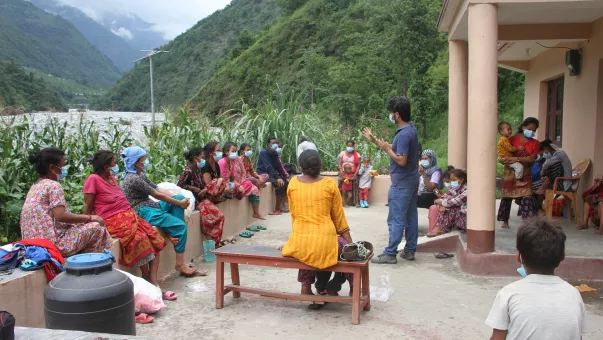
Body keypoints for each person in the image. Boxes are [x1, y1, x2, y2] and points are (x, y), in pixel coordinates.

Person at [485, 219, 586, 340]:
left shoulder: (508, 294)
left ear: (519, 256)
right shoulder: (574, 295)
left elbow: (497, 338)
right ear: (562, 256)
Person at [83, 150, 165, 286]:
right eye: (114, 164)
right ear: (106, 167)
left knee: (155, 238)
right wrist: (87, 222)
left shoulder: (113, 179)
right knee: (140, 240)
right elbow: (88, 206)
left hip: (129, 215)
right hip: (112, 219)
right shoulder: (93, 180)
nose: (117, 167)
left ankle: (153, 279)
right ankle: (146, 278)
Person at [281, 150, 353, 301]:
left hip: (299, 241)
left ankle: (306, 286)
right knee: (346, 251)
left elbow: (294, 214)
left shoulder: (293, 183)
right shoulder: (329, 184)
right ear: (320, 165)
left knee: (307, 249)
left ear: (301, 168)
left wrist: (293, 239)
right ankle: (346, 287)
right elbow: (339, 220)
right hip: (325, 241)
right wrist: (350, 242)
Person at [121, 146, 203, 277]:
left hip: (151, 205)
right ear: (137, 161)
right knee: (181, 225)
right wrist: (180, 204)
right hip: (142, 211)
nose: (146, 161)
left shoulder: (140, 174)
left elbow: (158, 188)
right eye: (143, 159)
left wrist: (178, 198)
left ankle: (173, 233)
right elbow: (157, 195)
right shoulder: (133, 179)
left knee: (179, 198)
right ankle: (180, 263)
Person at [20, 147, 112, 257]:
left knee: (81, 226)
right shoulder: (53, 185)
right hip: (52, 245)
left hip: (32, 245)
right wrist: (90, 218)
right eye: (62, 166)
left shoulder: (35, 186)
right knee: (97, 228)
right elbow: (60, 216)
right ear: (52, 168)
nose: (64, 170)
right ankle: (88, 267)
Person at [363, 96, 420, 264]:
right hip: (411, 180)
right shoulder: (411, 130)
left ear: (397, 115)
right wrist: (376, 141)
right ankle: (409, 250)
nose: (390, 116)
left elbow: (401, 160)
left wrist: (388, 149)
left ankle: (390, 253)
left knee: (396, 218)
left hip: (401, 183)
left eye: (391, 113)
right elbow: (395, 151)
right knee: (410, 217)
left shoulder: (403, 135)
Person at [177, 147, 226, 247]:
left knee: (220, 181)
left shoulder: (198, 170)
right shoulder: (187, 171)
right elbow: (179, 186)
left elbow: (203, 184)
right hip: (196, 200)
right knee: (218, 216)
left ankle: (215, 242)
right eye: (202, 157)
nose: (204, 160)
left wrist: (205, 190)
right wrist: (194, 188)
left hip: (203, 197)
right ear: (196, 158)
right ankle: (214, 242)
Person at [497, 117, 541, 229]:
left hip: (525, 174)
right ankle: (505, 221)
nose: (531, 132)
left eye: (534, 130)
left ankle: (527, 222)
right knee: (507, 197)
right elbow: (503, 155)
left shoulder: (535, 143)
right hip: (509, 173)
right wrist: (505, 160)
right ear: (523, 127)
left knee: (527, 197)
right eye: (529, 128)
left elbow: (532, 159)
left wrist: (516, 159)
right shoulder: (511, 139)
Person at [218, 142, 265, 219]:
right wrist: (237, 185)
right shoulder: (222, 162)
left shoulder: (232, 161)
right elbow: (224, 179)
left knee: (249, 183)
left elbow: (234, 176)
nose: (235, 153)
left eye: (235, 151)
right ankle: (236, 193)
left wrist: (238, 185)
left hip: (235, 182)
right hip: (224, 184)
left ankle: (238, 193)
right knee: (247, 183)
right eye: (233, 151)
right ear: (226, 152)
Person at [427, 169, 468, 237]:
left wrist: (441, 202)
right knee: (434, 208)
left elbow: (452, 203)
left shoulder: (466, 191)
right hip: (458, 218)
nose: (452, 182)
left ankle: (441, 228)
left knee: (450, 209)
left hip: (465, 220)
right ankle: (435, 228)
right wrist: (441, 203)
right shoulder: (455, 189)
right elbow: (445, 197)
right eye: (451, 180)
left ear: (461, 180)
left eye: (453, 180)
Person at [257, 137, 289, 215]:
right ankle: (277, 209)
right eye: (273, 143)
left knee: (286, 182)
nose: (275, 145)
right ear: (269, 144)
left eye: (276, 143)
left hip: (272, 173)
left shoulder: (275, 153)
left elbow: (279, 166)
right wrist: (278, 178)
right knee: (279, 183)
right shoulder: (263, 152)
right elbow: (268, 167)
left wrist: (286, 176)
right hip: (264, 173)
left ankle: (281, 205)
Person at [498, 122, 527, 187]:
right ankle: (518, 181)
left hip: (505, 158)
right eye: (508, 129)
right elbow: (509, 148)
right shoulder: (504, 139)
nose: (510, 131)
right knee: (520, 167)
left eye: (510, 129)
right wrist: (518, 149)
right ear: (501, 131)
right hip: (506, 158)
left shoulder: (505, 139)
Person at [338, 140, 361, 207]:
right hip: (343, 172)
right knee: (340, 185)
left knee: (356, 184)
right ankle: (339, 201)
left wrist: (355, 173)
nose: (349, 147)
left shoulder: (357, 154)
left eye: (351, 146)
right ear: (346, 146)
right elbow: (339, 164)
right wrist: (341, 171)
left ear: (353, 146)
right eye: (348, 146)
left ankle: (356, 202)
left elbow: (359, 165)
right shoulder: (342, 153)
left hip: (353, 173)